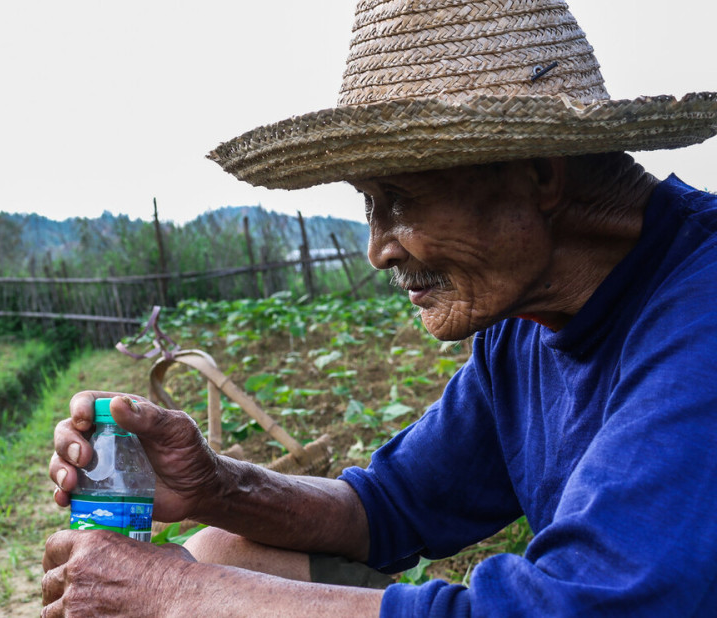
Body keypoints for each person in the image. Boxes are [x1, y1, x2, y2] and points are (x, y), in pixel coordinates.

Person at [42, 0, 717, 615]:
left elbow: (587, 607)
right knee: (227, 550)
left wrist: (174, 592)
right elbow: (392, 506)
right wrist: (215, 486)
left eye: (397, 198)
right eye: (369, 205)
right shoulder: (527, 330)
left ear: (538, 172)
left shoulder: (701, 309)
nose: (377, 249)